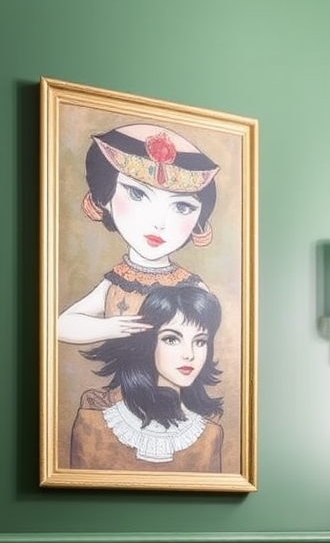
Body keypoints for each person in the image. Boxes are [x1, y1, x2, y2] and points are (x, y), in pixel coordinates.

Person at [57, 122, 219, 345]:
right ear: (104, 199)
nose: (158, 223)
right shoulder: (118, 283)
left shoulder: (192, 286)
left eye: (182, 207)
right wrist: (110, 328)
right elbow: (60, 326)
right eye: (137, 194)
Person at [70, 284, 225, 472]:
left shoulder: (209, 436)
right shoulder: (93, 424)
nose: (189, 354)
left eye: (200, 341)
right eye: (172, 339)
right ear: (148, 342)